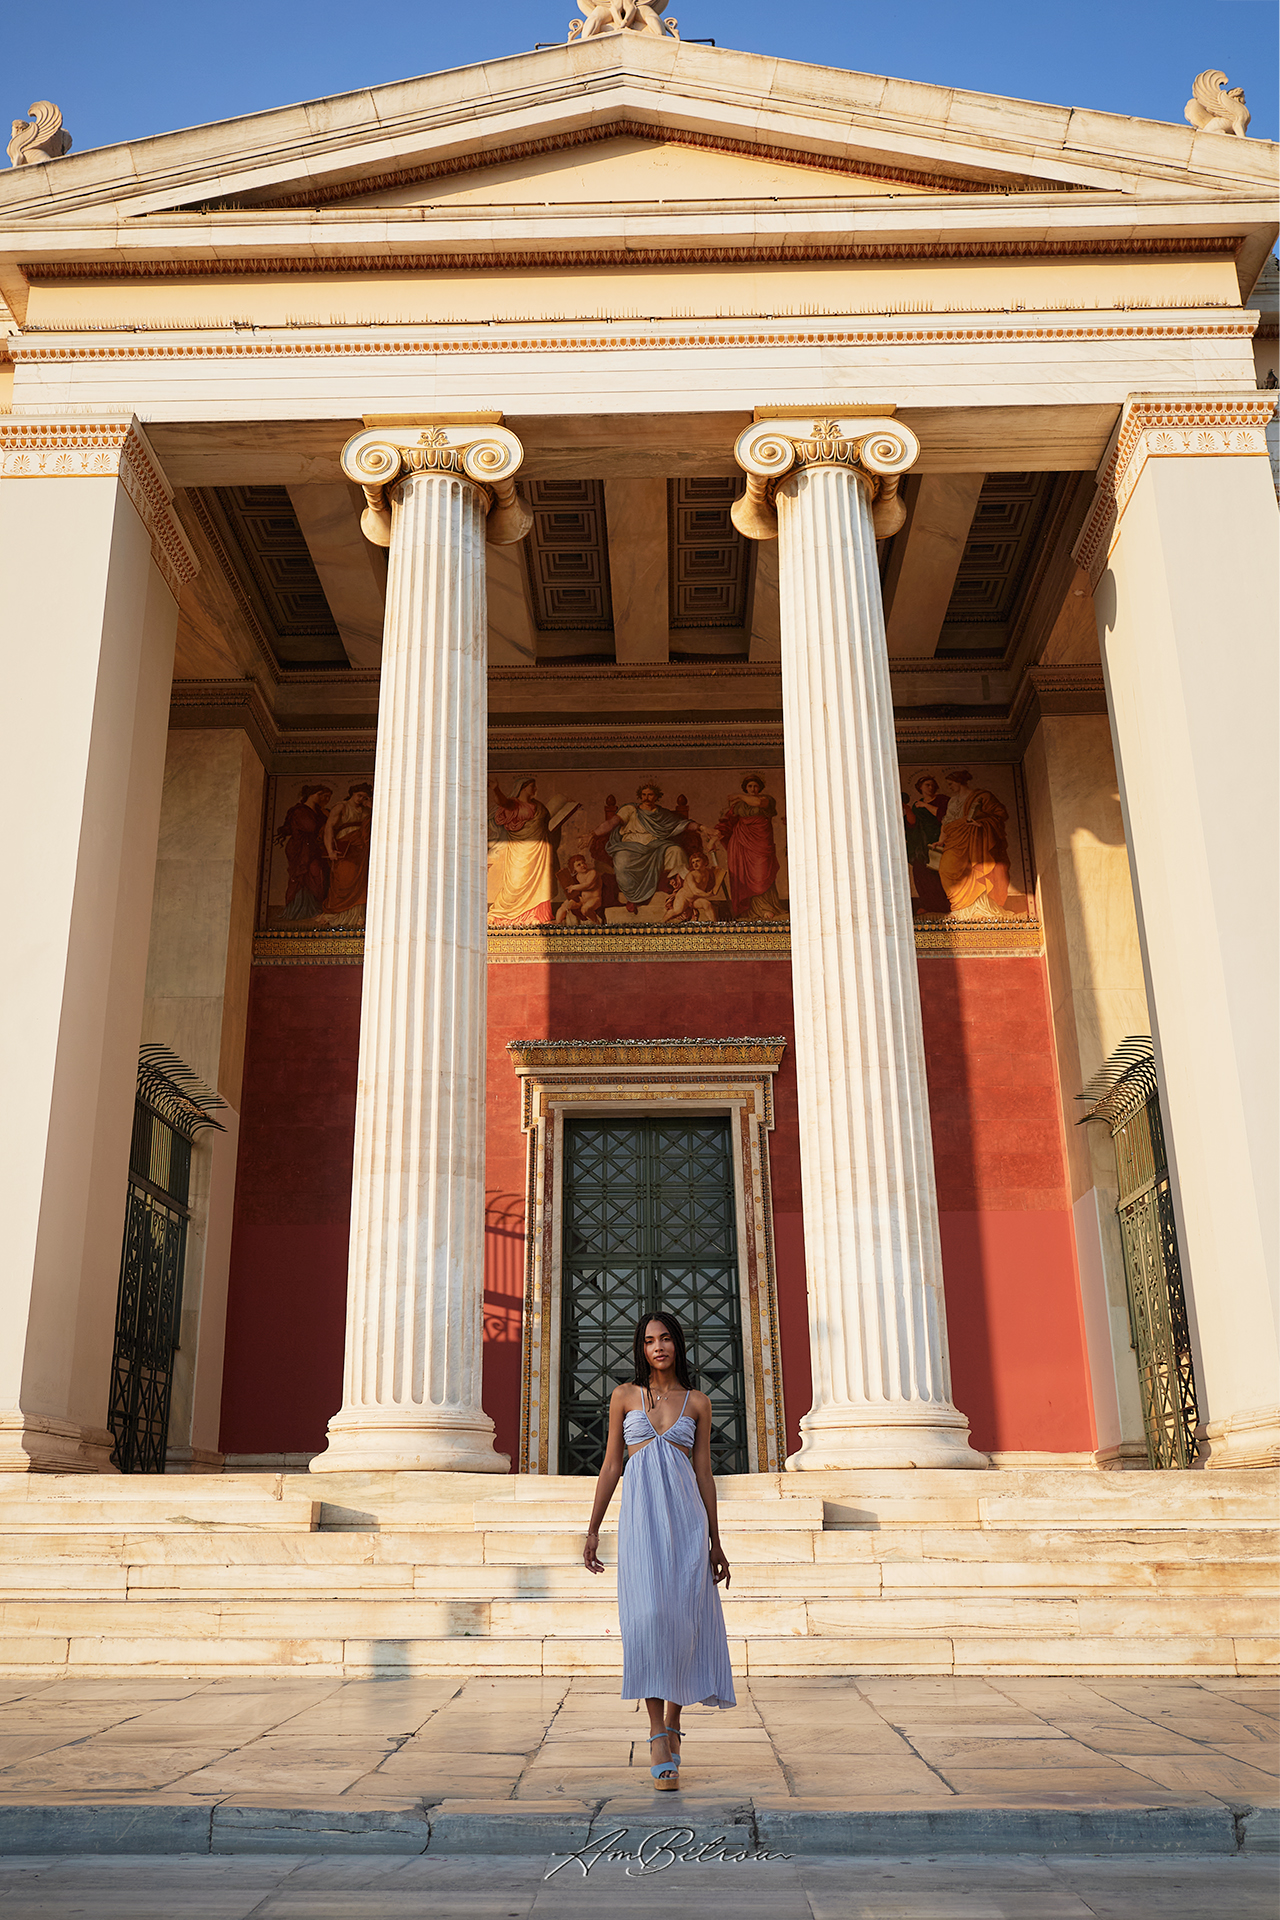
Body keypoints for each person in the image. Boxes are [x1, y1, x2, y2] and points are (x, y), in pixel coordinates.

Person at [583, 1312, 734, 1791]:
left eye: (665, 1338)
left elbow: (705, 1475)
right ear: (641, 1349)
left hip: (687, 1525)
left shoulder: (699, 1403)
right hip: (641, 1527)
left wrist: (715, 1540)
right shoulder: (624, 1397)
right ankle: (655, 1733)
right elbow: (611, 1466)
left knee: (682, 1621)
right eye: (649, 1340)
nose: (658, 1346)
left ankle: (673, 1720)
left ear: (677, 1344)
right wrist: (592, 1530)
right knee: (646, 1619)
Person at [937, 768, 1011, 914]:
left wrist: (981, 822)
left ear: (960, 782)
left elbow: (1001, 814)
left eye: (951, 784)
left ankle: (979, 908)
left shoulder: (982, 796)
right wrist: (940, 841)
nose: (949, 787)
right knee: (945, 870)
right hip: (955, 839)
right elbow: (945, 824)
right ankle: (960, 907)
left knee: (977, 870)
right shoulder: (952, 801)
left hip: (976, 838)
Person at [716, 775, 787, 920]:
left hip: (761, 842)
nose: (753, 789)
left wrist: (738, 796)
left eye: (755, 786)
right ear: (746, 788)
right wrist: (713, 840)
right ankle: (751, 910)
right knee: (744, 876)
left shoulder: (767, 800)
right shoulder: (738, 806)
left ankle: (767, 906)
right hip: (741, 842)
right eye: (750, 786)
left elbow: (757, 802)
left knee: (762, 874)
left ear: (760, 788)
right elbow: (727, 823)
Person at [488, 777, 555, 925]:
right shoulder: (514, 804)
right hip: (520, 850)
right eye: (532, 786)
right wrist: (495, 788)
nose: (535, 789)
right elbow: (502, 802)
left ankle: (535, 915)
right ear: (523, 787)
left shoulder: (539, 806)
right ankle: (503, 913)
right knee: (516, 882)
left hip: (539, 850)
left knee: (539, 883)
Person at [275, 784, 332, 922]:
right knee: (303, 877)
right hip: (301, 849)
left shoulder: (319, 811)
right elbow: (310, 827)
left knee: (318, 875)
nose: (323, 798)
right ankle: (301, 910)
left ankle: (316, 908)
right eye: (320, 795)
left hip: (314, 848)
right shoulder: (300, 811)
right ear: (311, 795)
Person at [319, 782, 373, 926]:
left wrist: (372, 807)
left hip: (360, 848)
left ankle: (358, 916)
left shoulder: (367, 811)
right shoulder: (341, 807)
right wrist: (330, 850)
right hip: (344, 847)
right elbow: (329, 828)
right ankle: (334, 914)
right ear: (352, 793)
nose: (361, 799)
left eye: (365, 797)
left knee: (360, 880)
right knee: (343, 878)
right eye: (359, 795)